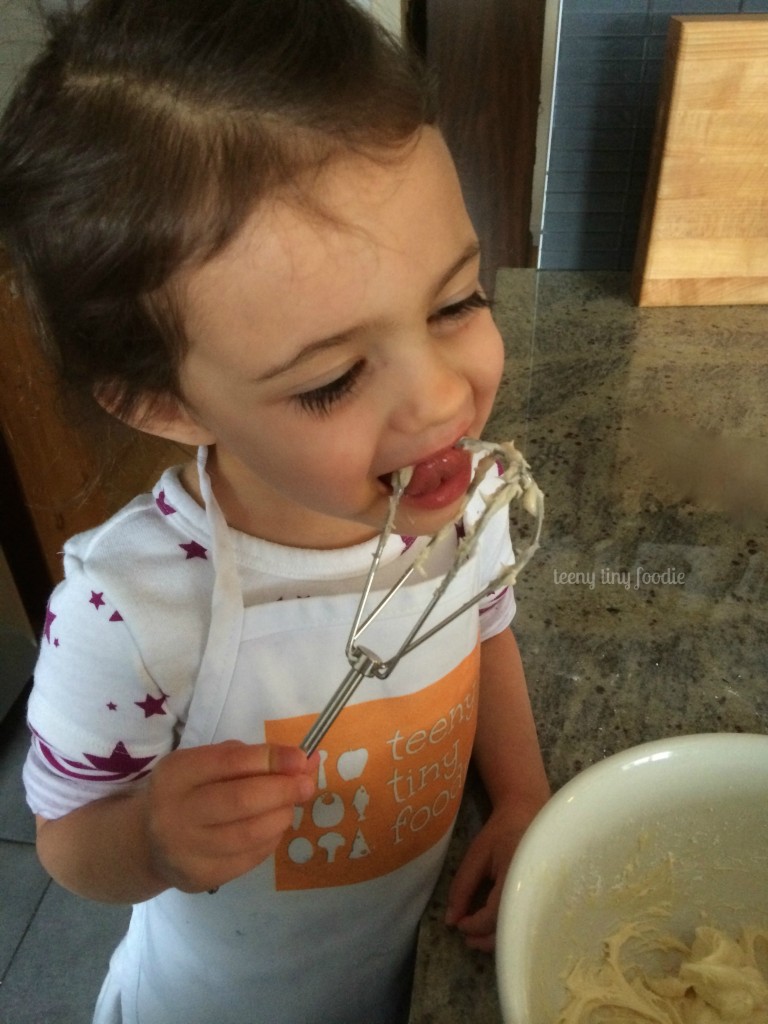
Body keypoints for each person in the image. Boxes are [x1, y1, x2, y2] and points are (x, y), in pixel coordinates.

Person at [0, 1, 551, 1021]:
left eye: (456, 302)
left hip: (400, 970)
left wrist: (523, 797)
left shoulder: (467, 492)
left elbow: (487, 629)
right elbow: (67, 837)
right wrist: (152, 839)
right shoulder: (132, 612)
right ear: (167, 403)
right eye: (335, 379)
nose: (441, 400)